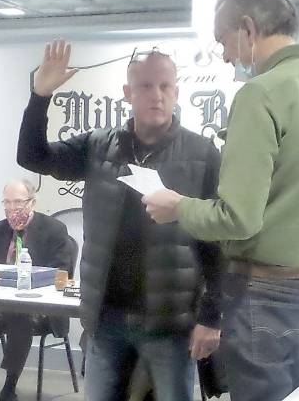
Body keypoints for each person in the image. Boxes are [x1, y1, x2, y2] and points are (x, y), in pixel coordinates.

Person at [142, 0, 299, 401]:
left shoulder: (260, 94)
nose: (226, 56)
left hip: (263, 292)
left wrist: (178, 207)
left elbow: (238, 218)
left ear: (247, 29)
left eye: (224, 42)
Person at [17, 40, 223, 401]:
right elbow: (33, 157)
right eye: (145, 86)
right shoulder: (98, 147)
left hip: (171, 323)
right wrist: (40, 96)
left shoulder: (202, 154)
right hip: (107, 319)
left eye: (165, 86)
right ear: (128, 93)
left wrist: (212, 316)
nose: (156, 95)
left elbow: (219, 241)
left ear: (176, 92)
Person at [0, 179, 72, 401]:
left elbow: (62, 271)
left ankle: (9, 387)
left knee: (20, 316)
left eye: (18, 202)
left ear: (32, 202)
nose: (13, 209)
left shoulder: (55, 229)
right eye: (7, 203)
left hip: (36, 307)